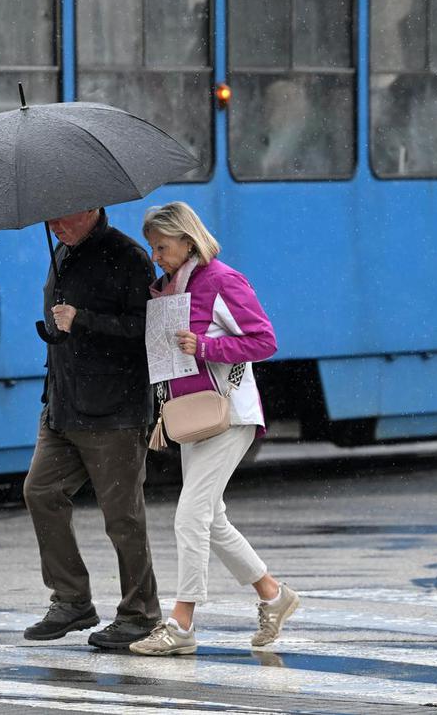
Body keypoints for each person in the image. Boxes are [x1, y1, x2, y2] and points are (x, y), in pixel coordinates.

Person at [129, 201, 298, 657]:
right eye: (152, 247)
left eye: (161, 246)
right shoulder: (170, 289)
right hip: (191, 416)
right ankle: (273, 595)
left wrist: (203, 344)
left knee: (190, 515)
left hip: (229, 414)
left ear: (188, 241)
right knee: (211, 517)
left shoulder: (222, 280)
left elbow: (264, 341)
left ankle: (181, 626)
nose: (156, 255)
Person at [22, 207, 162, 650]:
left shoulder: (128, 256)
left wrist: (82, 320)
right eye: (50, 218)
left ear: (91, 208)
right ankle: (71, 599)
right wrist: (61, 332)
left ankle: (140, 614)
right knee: (40, 492)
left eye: (62, 216)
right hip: (62, 405)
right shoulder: (62, 250)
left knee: (122, 516)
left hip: (114, 410)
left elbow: (147, 330)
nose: (53, 224)